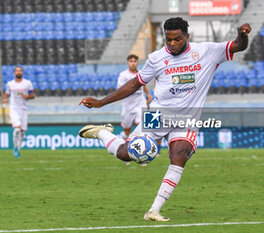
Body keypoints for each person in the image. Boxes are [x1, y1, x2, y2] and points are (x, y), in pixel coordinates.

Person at [78, 17, 251, 221]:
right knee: (126, 154)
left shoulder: (207, 51)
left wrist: (242, 34)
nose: (172, 44)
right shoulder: (156, 58)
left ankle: (153, 210)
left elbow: (239, 45)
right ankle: (103, 133)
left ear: (187, 36)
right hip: (158, 115)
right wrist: (101, 102)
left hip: (187, 118)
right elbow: (134, 84)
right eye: (168, 40)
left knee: (180, 154)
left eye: (177, 39)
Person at [117, 54, 152, 166]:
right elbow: (121, 89)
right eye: (131, 61)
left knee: (140, 127)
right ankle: (125, 153)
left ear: (137, 62)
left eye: (135, 61)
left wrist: (148, 93)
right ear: (128, 63)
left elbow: (143, 83)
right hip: (128, 106)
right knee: (127, 130)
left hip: (140, 104)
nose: (133, 63)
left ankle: (141, 156)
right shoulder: (123, 75)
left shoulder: (141, 73)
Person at [2, 66, 35, 158]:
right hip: (14, 109)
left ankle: (18, 149)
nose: (18, 72)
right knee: (17, 129)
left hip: (24, 109)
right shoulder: (10, 84)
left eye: (20, 70)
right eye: (17, 71)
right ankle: (15, 148)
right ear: (14, 73)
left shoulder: (27, 83)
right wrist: (5, 100)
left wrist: (27, 97)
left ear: (22, 73)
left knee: (22, 132)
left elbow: (32, 95)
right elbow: (7, 94)